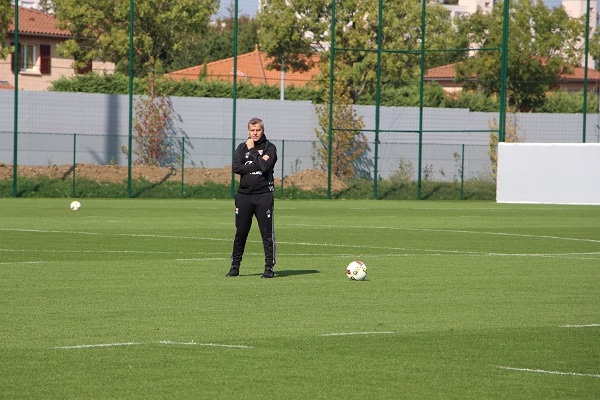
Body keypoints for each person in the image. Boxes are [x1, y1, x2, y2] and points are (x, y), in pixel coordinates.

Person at [227, 118, 278, 278]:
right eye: (252, 130)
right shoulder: (242, 148)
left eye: (258, 130)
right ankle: (235, 267)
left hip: (263, 196)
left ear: (263, 130)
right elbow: (236, 168)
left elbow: (265, 167)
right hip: (244, 197)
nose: (255, 133)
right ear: (248, 131)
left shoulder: (270, 147)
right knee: (240, 232)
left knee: (266, 234)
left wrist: (253, 153)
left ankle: (269, 268)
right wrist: (256, 163)